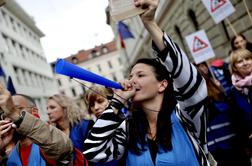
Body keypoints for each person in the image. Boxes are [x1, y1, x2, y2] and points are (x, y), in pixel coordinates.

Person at [83, 0, 211, 165]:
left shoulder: (185, 116)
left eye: (140, 75)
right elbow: (93, 152)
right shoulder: (128, 129)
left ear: (162, 84)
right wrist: (115, 103)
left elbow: (190, 82)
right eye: (130, 76)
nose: (131, 81)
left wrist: (150, 23)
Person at [0, 86, 73, 165]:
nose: (9, 116)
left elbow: (61, 148)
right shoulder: (11, 155)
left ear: (34, 111)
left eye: (17, 109)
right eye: (5, 113)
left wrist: (15, 114)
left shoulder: (48, 143)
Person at [196, 63, 251, 166]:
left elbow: (239, 124)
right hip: (213, 158)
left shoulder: (222, 100)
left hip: (235, 153)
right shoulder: (186, 111)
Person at [84, 85, 120, 166]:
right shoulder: (91, 131)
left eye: (100, 101)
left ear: (111, 100)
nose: (96, 108)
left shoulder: (126, 122)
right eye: (92, 105)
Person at [229, 48, 252, 155]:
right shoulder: (233, 91)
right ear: (234, 67)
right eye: (240, 61)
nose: (245, 63)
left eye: (247, 59)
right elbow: (236, 119)